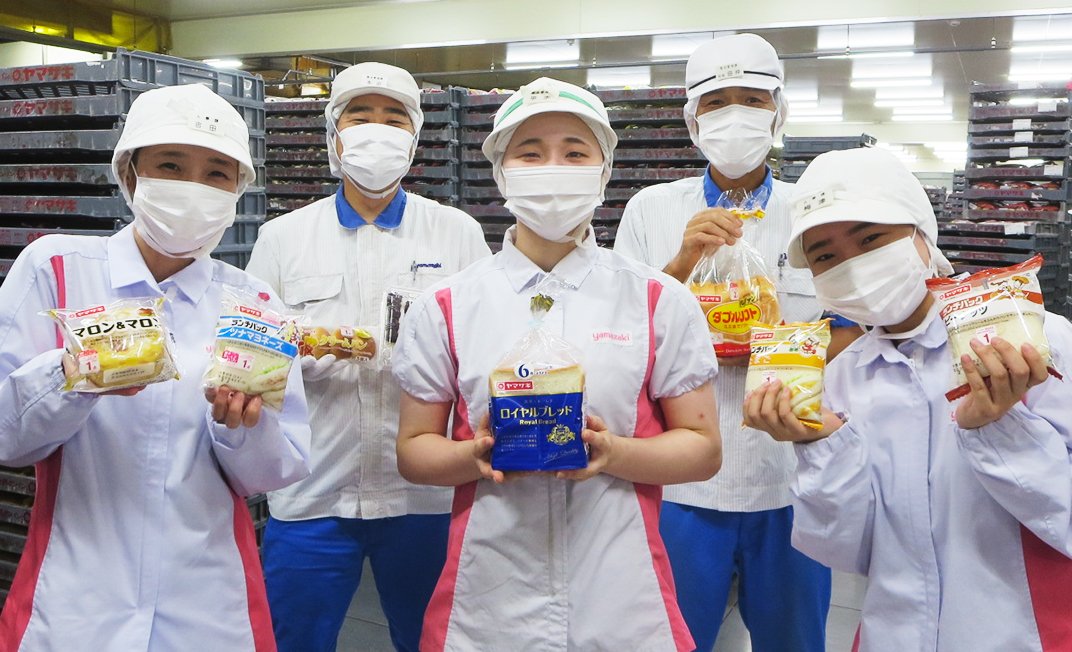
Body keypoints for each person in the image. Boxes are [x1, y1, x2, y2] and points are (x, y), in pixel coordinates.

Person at [392, 77, 722, 652]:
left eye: (574, 153)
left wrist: (613, 452)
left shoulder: (657, 299)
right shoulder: (446, 305)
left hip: (623, 596)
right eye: (530, 153)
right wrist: (475, 454)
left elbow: (703, 449)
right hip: (486, 600)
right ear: (501, 173)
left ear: (603, 172)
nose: (553, 168)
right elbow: (414, 451)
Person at [0, 83, 311, 651]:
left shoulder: (254, 305)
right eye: (171, 165)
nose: (194, 188)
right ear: (130, 174)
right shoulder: (57, 269)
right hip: (73, 599)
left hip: (210, 603)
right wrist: (73, 374)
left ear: (236, 191)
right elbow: (7, 440)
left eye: (217, 174)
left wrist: (241, 428)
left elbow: (273, 472)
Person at [743, 147, 1072, 652]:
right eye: (826, 256)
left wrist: (998, 426)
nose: (853, 266)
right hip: (891, 633)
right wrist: (822, 444)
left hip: (1029, 634)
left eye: (870, 239)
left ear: (922, 233)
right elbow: (847, 550)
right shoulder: (841, 377)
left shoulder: (1032, 342)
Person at [245, 62, 490, 652]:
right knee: (292, 640)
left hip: (426, 494)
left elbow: (486, 346)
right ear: (334, 136)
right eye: (360, 116)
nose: (377, 129)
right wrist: (307, 347)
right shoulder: (284, 237)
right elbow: (248, 352)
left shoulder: (455, 232)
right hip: (311, 493)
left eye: (394, 118)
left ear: (414, 137)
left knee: (432, 640)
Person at [614, 33, 831, 652]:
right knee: (673, 638)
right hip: (684, 482)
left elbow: (850, 322)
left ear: (778, 112)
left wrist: (784, 354)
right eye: (716, 102)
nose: (735, 115)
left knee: (794, 639)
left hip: (793, 476)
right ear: (693, 120)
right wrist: (683, 259)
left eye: (752, 100)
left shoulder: (814, 209)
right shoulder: (652, 208)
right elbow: (621, 329)